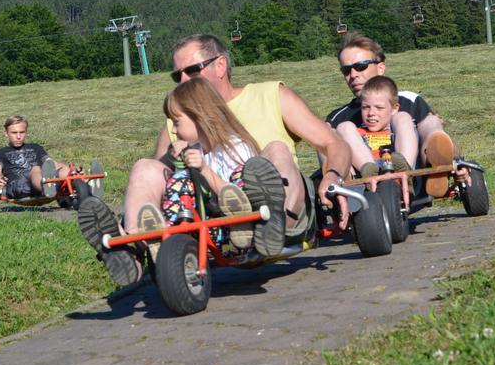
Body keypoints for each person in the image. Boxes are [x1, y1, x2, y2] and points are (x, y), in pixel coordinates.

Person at [78, 33, 352, 287]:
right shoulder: (178, 120)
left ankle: (269, 223)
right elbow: (159, 178)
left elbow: (332, 143)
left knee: (275, 149)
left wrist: (333, 178)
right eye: (178, 76)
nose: (184, 81)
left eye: (192, 70)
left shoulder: (269, 95)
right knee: (144, 167)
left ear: (220, 65)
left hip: (283, 201)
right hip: (212, 210)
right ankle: (132, 247)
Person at [326, 32, 469, 196]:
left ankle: (436, 168)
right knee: (332, 136)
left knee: (422, 122)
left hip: (415, 175)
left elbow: (433, 130)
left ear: (380, 67)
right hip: (365, 190)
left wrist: (456, 160)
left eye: (360, 66)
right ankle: (349, 185)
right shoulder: (339, 118)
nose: (353, 75)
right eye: (346, 70)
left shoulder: (409, 101)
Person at [152, 77, 262, 252]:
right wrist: (178, 160)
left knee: (243, 174)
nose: (172, 130)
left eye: (176, 122)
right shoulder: (195, 150)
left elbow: (239, 195)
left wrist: (203, 169)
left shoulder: (238, 147)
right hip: (208, 222)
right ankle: (166, 236)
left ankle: (240, 225)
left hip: (242, 226)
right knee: (180, 178)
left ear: (199, 116)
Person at [334, 75, 415, 178]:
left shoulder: (399, 128)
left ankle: (405, 169)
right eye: (366, 107)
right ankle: (369, 171)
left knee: (403, 117)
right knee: (343, 127)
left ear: (394, 109)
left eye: (379, 107)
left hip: (400, 173)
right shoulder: (355, 134)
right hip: (367, 179)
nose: (371, 113)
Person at [0, 115, 71, 199]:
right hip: (18, 186)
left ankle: (76, 180)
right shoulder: (0, 152)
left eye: (22, 132)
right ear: (6, 133)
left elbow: (50, 162)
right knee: (35, 168)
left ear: (26, 132)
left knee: (62, 167)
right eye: (14, 133)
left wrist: (64, 168)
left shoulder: (36, 147)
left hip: (41, 179)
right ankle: (46, 188)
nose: (18, 137)